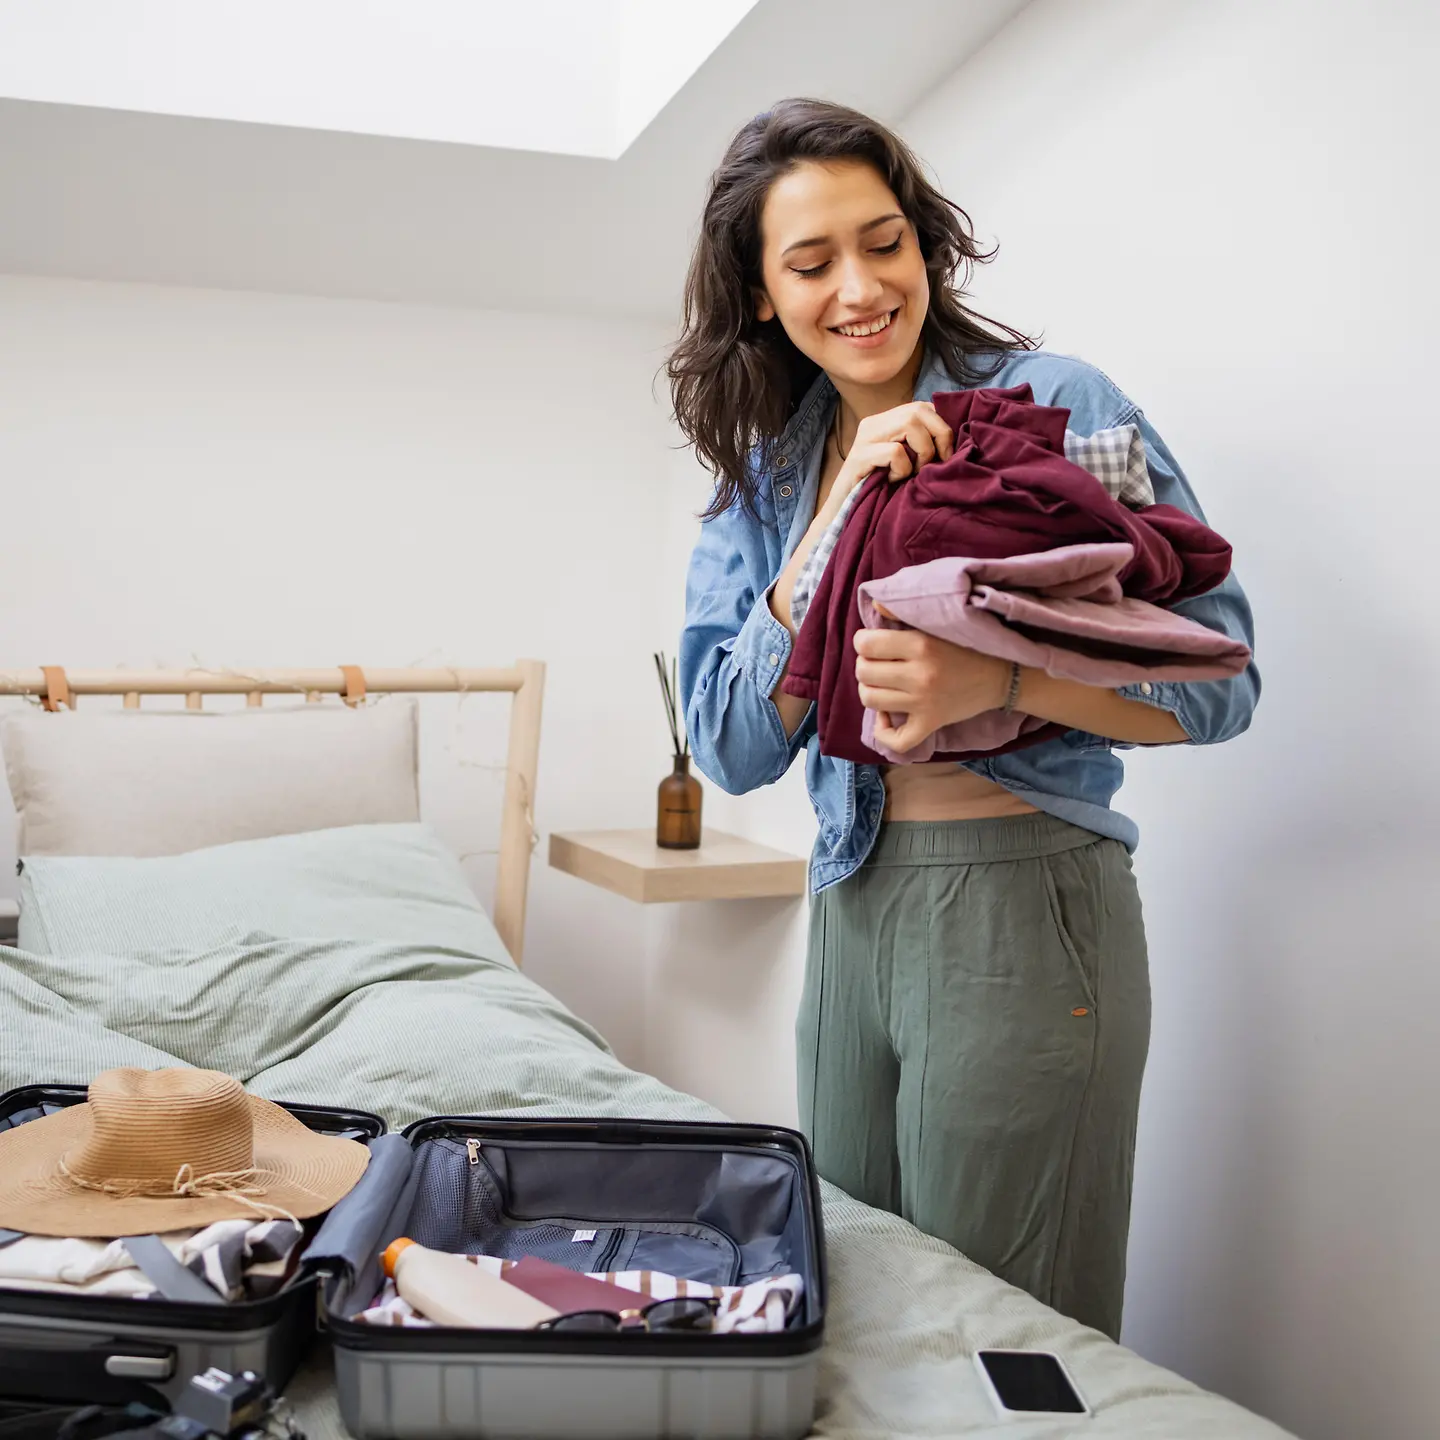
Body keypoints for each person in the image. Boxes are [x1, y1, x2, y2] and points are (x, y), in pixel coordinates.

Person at [669, 98, 1259, 1340]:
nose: (861, 287)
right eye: (812, 262)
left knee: (1005, 1338)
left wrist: (999, 687)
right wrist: (829, 521)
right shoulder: (769, 475)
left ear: (924, 245)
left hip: (1026, 905)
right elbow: (729, 744)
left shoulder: (1057, 405)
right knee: (864, 1311)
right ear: (763, 296)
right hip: (853, 906)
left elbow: (1219, 679)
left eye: (883, 243)